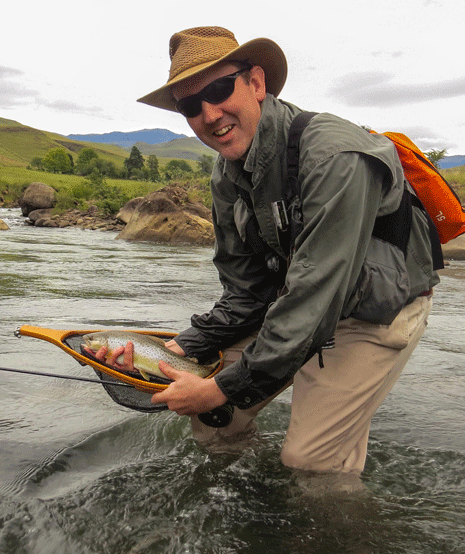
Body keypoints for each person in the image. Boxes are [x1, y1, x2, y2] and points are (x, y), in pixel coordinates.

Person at [102, 26, 439, 478]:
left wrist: (221, 387)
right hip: (299, 305)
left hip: (378, 309)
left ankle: (342, 541)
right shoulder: (226, 174)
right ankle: (248, 492)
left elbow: (315, 299)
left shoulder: (335, 155)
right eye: (189, 105)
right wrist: (179, 348)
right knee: (210, 420)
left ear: (256, 84)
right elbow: (246, 292)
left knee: (311, 461)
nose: (209, 113)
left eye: (219, 89)